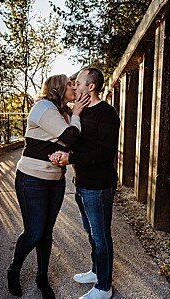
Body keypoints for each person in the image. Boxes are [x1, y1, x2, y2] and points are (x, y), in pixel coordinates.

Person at [8, 74, 89, 298]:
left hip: (56, 181)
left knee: (46, 233)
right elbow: (72, 138)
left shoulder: (64, 113)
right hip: (31, 179)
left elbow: (76, 143)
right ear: (58, 88)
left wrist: (74, 116)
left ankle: (41, 277)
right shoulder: (43, 108)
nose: (74, 87)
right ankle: (14, 270)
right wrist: (77, 116)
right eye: (70, 84)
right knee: (34, 232)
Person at [49, 67, 120, 299]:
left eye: (78, 82)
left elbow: (105, 151)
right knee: (91, 233)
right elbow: (73, 140)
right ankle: (97, 271)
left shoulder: (106, 113)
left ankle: (104, 287)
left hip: (99, 186)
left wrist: (72, 158)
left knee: (101, 236)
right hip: (82, 184)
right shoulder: (79, 112)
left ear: (91, 87)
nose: (74, 85)